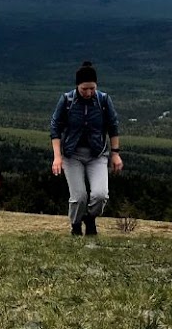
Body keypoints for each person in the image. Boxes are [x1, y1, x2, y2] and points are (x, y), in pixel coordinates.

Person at [49, 62, 123, 236]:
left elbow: (113, 126)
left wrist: (115, 154)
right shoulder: (67, 100)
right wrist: (57, 156)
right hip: (71, 154)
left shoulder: (104, 100)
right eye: (84, 89)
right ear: (77, 86)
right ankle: (76, 225)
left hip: (97, 154)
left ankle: (90, 218)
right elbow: (55, 127)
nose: (89, 93)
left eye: (92, 88)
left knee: (100, 194)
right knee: (79, 196)